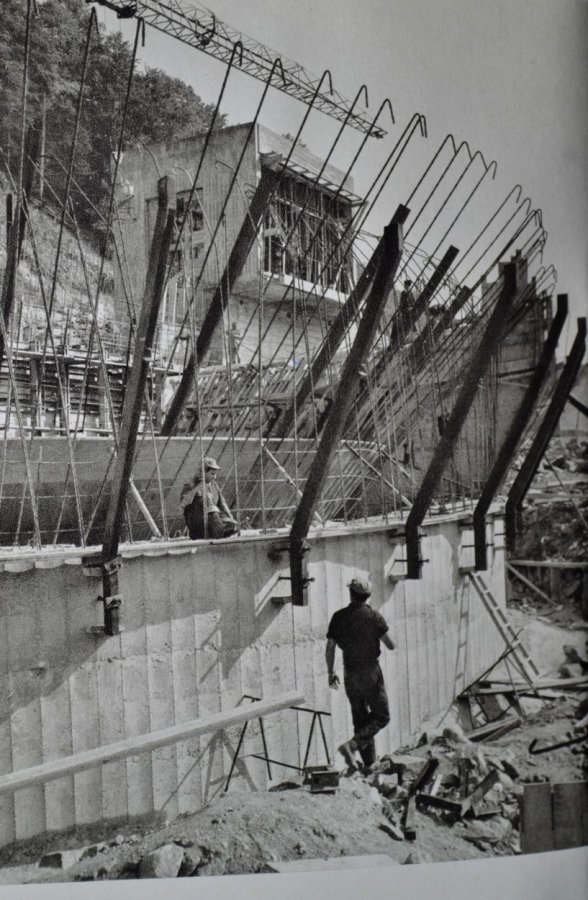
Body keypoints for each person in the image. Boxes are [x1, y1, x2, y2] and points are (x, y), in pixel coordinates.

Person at [326, 576, 395, 770]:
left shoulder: (338, 617)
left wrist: (330, 672)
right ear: (368, 596)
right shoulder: (374, 617)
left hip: (350, 674)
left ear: (351, 594)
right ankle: (352, 745)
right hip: (370, 673)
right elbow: (391, 645)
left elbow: (330, 647)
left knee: (360, 718)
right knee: (382, 716)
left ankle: (369, 764)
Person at [180, 457, 238, 540]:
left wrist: (231, 518)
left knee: (231, 524)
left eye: (215, 474)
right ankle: (220, 531)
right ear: (203, 473)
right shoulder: (190, 486)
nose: (215, 477)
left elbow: (222, 503)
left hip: (212, 523)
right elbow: (183, 504)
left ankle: (220, 531)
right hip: (198, 526)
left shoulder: (214, 485)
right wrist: (199, 486)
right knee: (209, 500)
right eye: (212, 474)